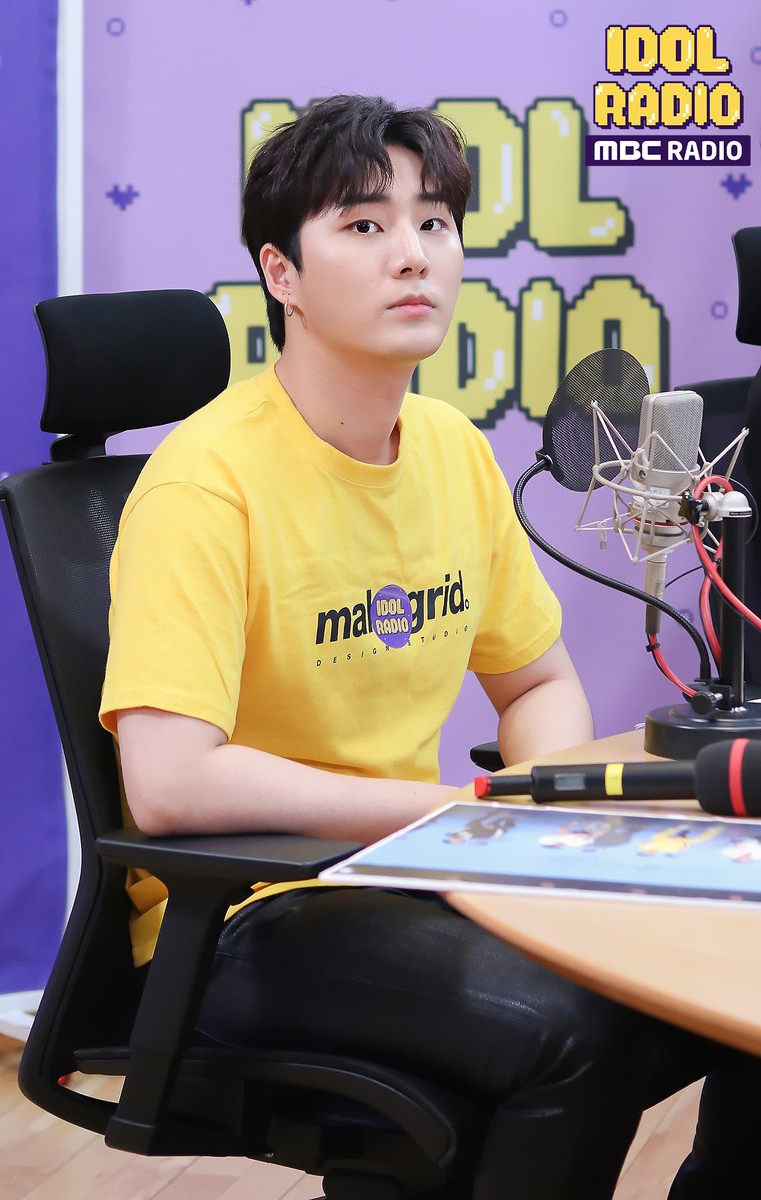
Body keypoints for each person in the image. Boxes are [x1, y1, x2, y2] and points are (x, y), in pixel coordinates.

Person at [100, 96, 725, 1199]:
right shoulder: (205, 485)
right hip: (245, 914)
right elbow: (168, 781)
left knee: (715, 981)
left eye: (433, 222)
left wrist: (541, 820)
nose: (412, 255)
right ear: (282, 273)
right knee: (575, 1030)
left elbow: (534, 678)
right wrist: (448, 816)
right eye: (363, 225)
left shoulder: (447, 446)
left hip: (408, 873)